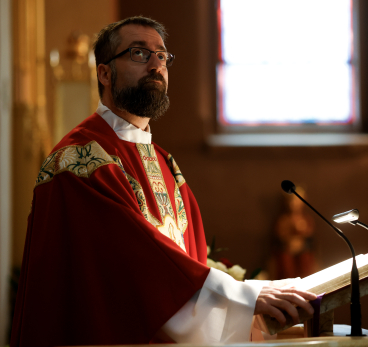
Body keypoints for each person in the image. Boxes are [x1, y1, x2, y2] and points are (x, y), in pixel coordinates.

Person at [10, 16, 317, 347]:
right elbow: (137, 266)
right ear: (104, 73)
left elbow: (187, 264)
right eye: (139, 54)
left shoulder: (166, 165)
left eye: (162, 56)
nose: (155, 65)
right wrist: (246, 294)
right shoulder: (79, 162)